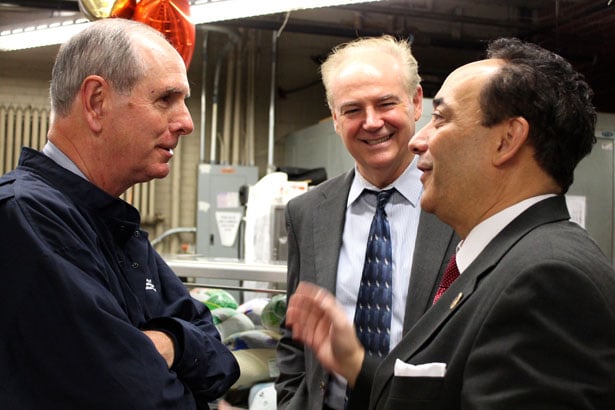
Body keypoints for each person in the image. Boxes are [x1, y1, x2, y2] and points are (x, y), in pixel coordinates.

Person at [285, 37, 615, 409]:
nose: (419, 140)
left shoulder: (548, 278)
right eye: (352, 110)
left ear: (507, 140)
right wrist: (357, 366)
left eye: (440, 119)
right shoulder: (505, 259)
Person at [0, 18, 239, 409]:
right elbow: (138, 398)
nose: (186, 123)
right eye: (165, 99)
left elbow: (218, 361)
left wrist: (172, 343)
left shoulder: (111, 221)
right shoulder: (27, 217)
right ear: (96, 101)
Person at [275, 35, 458, 410]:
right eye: (353, 109)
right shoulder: (307, 212)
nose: (372, 123)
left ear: (416, 101)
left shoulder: (460, 206)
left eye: (386, 103)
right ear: (335, 119)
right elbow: (296, 338)